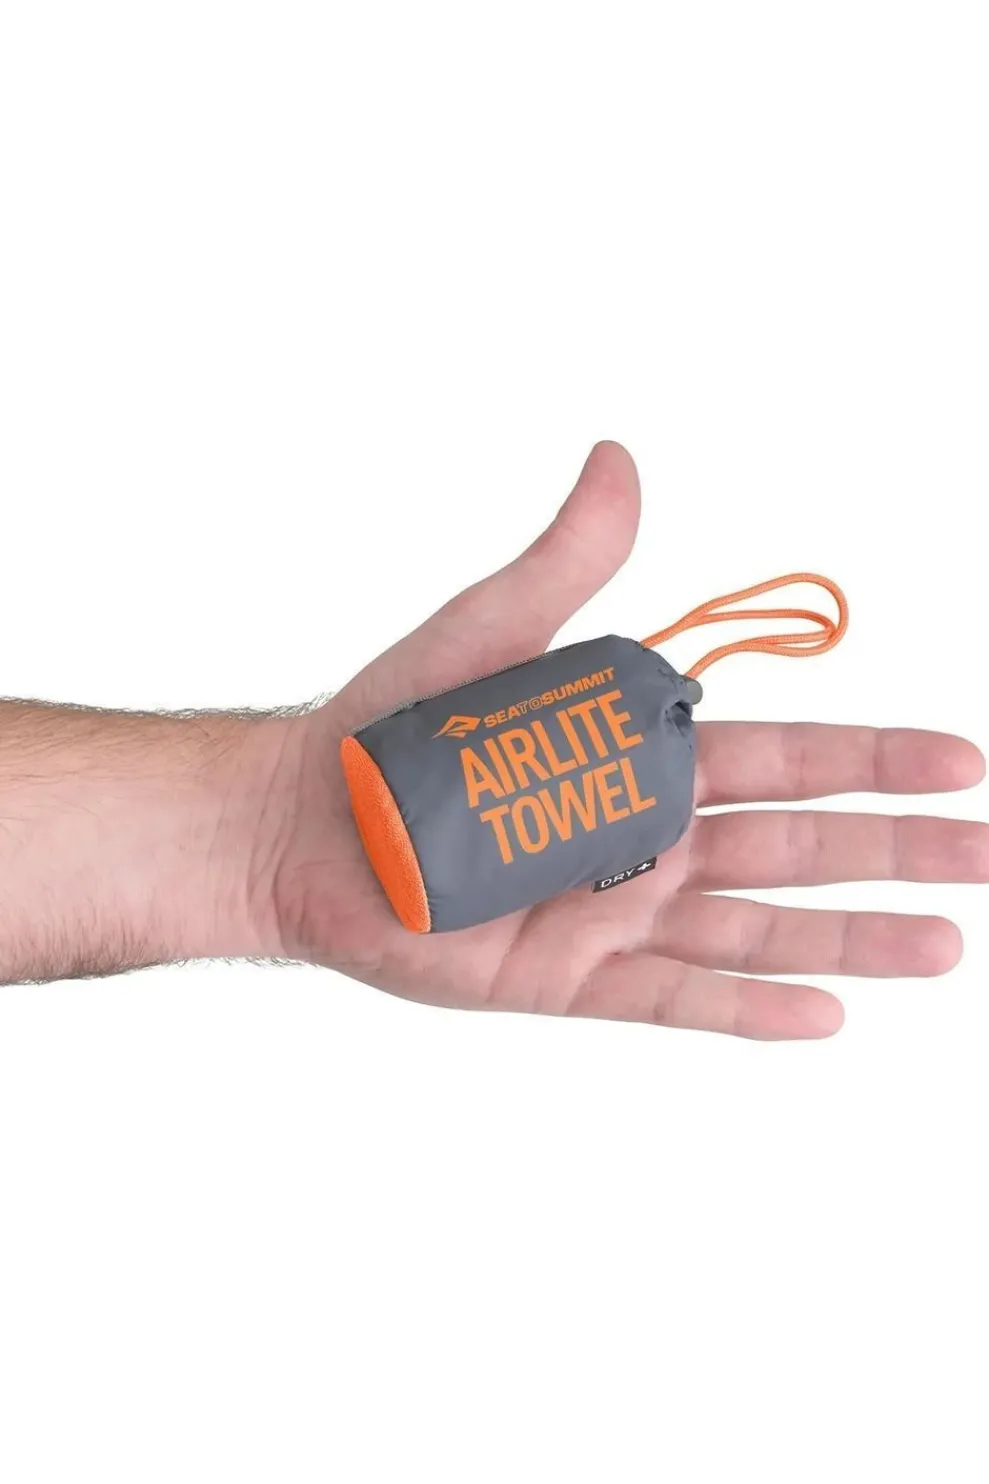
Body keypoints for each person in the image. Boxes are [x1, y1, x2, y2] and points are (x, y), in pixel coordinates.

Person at [2, 443, 986, 1035]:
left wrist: (249, 840)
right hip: (388, 830)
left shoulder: (649, 750)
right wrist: (255, 836)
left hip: (388, 824)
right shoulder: (653, 773)